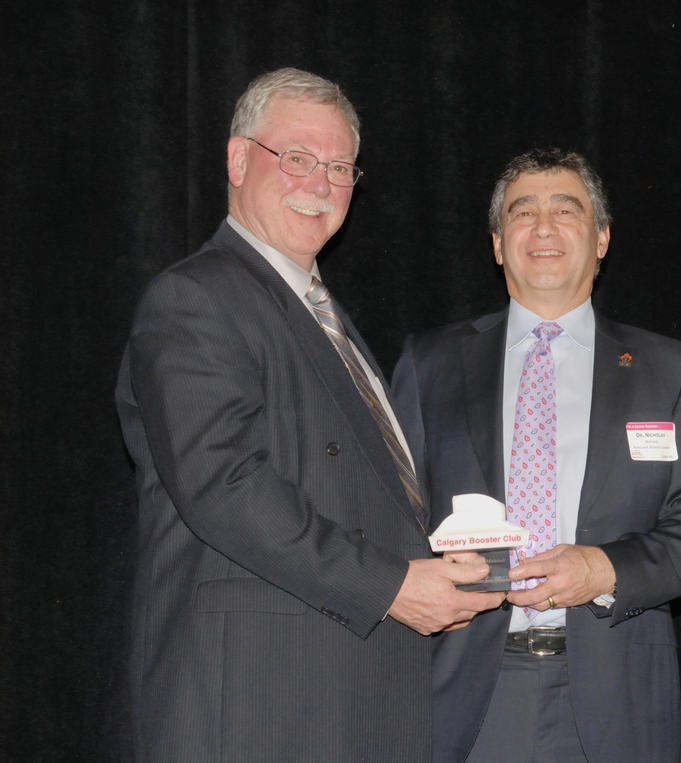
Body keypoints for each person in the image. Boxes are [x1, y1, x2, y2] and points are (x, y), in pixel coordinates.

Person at [115, 67, 501, 761]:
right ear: (238, 159)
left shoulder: (325, 318)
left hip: (347, 695)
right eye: (296, 158)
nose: (320, 184)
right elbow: (224, 486)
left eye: (340, 167)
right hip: (261, 705)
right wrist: (392, 586)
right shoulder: (196, 299)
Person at [392, 148, 681, 762]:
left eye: (566, 211)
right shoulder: (428, 363)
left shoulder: (670, 370)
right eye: (522, 212)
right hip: (465, 690)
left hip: (617, 694)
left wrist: (603, 569)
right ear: (496, 243)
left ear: (601, 239)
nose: (543, 227)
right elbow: (391, 514)